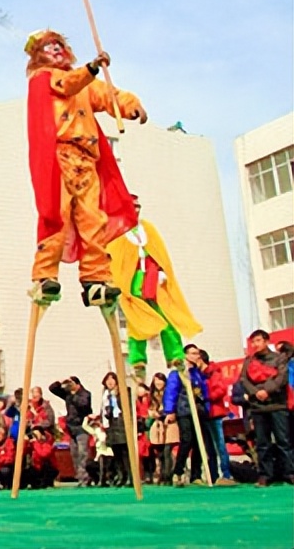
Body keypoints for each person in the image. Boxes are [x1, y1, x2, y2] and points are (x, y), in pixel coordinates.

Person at [24, 30, 146, 307]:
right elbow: (67, 84)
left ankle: (95, 280)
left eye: (58, 45)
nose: (55, 50)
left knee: (94, 220)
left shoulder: (85, 84)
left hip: (87, 160)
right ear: (39, 54)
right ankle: (44, 275)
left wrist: (130, 105)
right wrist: (91, 68)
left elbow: (109, 95)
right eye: (48, 47)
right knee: (56, 215)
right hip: (59, 158)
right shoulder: (44, 78)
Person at [107, 194, 202, 381]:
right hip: (133, 281)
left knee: (167, 316)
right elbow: (114, 259)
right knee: (136, 320)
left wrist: (161, 271)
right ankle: (138, 361)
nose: (135, 210)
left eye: (137, 207)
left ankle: (175, 355)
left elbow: (159, 251)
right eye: (131, 207)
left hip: (153, 278)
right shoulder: (116, 231)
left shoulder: (147, 228)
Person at [239, 329, 293, 486]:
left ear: (266, 341)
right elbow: (244, 380)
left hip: (277, 405)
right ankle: (265, 474)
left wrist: (266, 390)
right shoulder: (249, 361)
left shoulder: (279, 359)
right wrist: (256, 393)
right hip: (258, 407)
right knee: (262, 442)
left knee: (284, 441)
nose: (255, 344)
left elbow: (281, 378)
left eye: (258, 341)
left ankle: (289, 472)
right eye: (253, 342)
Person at [165, 344, 218, 487]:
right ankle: (178, 471)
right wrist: (170, 411)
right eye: (193, 353)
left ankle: (196, 475)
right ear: (186, 355)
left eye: (198, 353)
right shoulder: (177, 373)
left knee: (199, 443)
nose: (196, 356)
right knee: (186, 440)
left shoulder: (197, 373)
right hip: (184, 411)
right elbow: (171, 392)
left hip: (199, 411)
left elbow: (204, 389)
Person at [200, 349, 237, 485]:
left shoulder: (214, 373)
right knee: (209, 447)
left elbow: (221, 390)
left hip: (215, 413)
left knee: (220, 445)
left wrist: (206, 396)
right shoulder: (198, 375)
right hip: (204, 413)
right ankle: (213, 474)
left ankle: (226, 473)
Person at [49, 376, 93, 486]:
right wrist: (61, 382)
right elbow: (52, 388)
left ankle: (85, 478)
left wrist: (73, 393)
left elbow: (83, 404)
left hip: (82, 427)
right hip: (71, 428)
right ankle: (79, 476)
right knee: (74, 454)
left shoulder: (85, 394)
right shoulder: (68, 394)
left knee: (83, 453)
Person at [99, 372, 130, 487]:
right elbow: (104, 411)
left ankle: (130, 476)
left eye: (112, 379)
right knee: (116, 453)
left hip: (121, 424)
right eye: (108, 380)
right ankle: (121, 475)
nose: (110, 382)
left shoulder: (123, 392)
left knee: (125, 452)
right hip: (111, 425)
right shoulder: (106, 395)